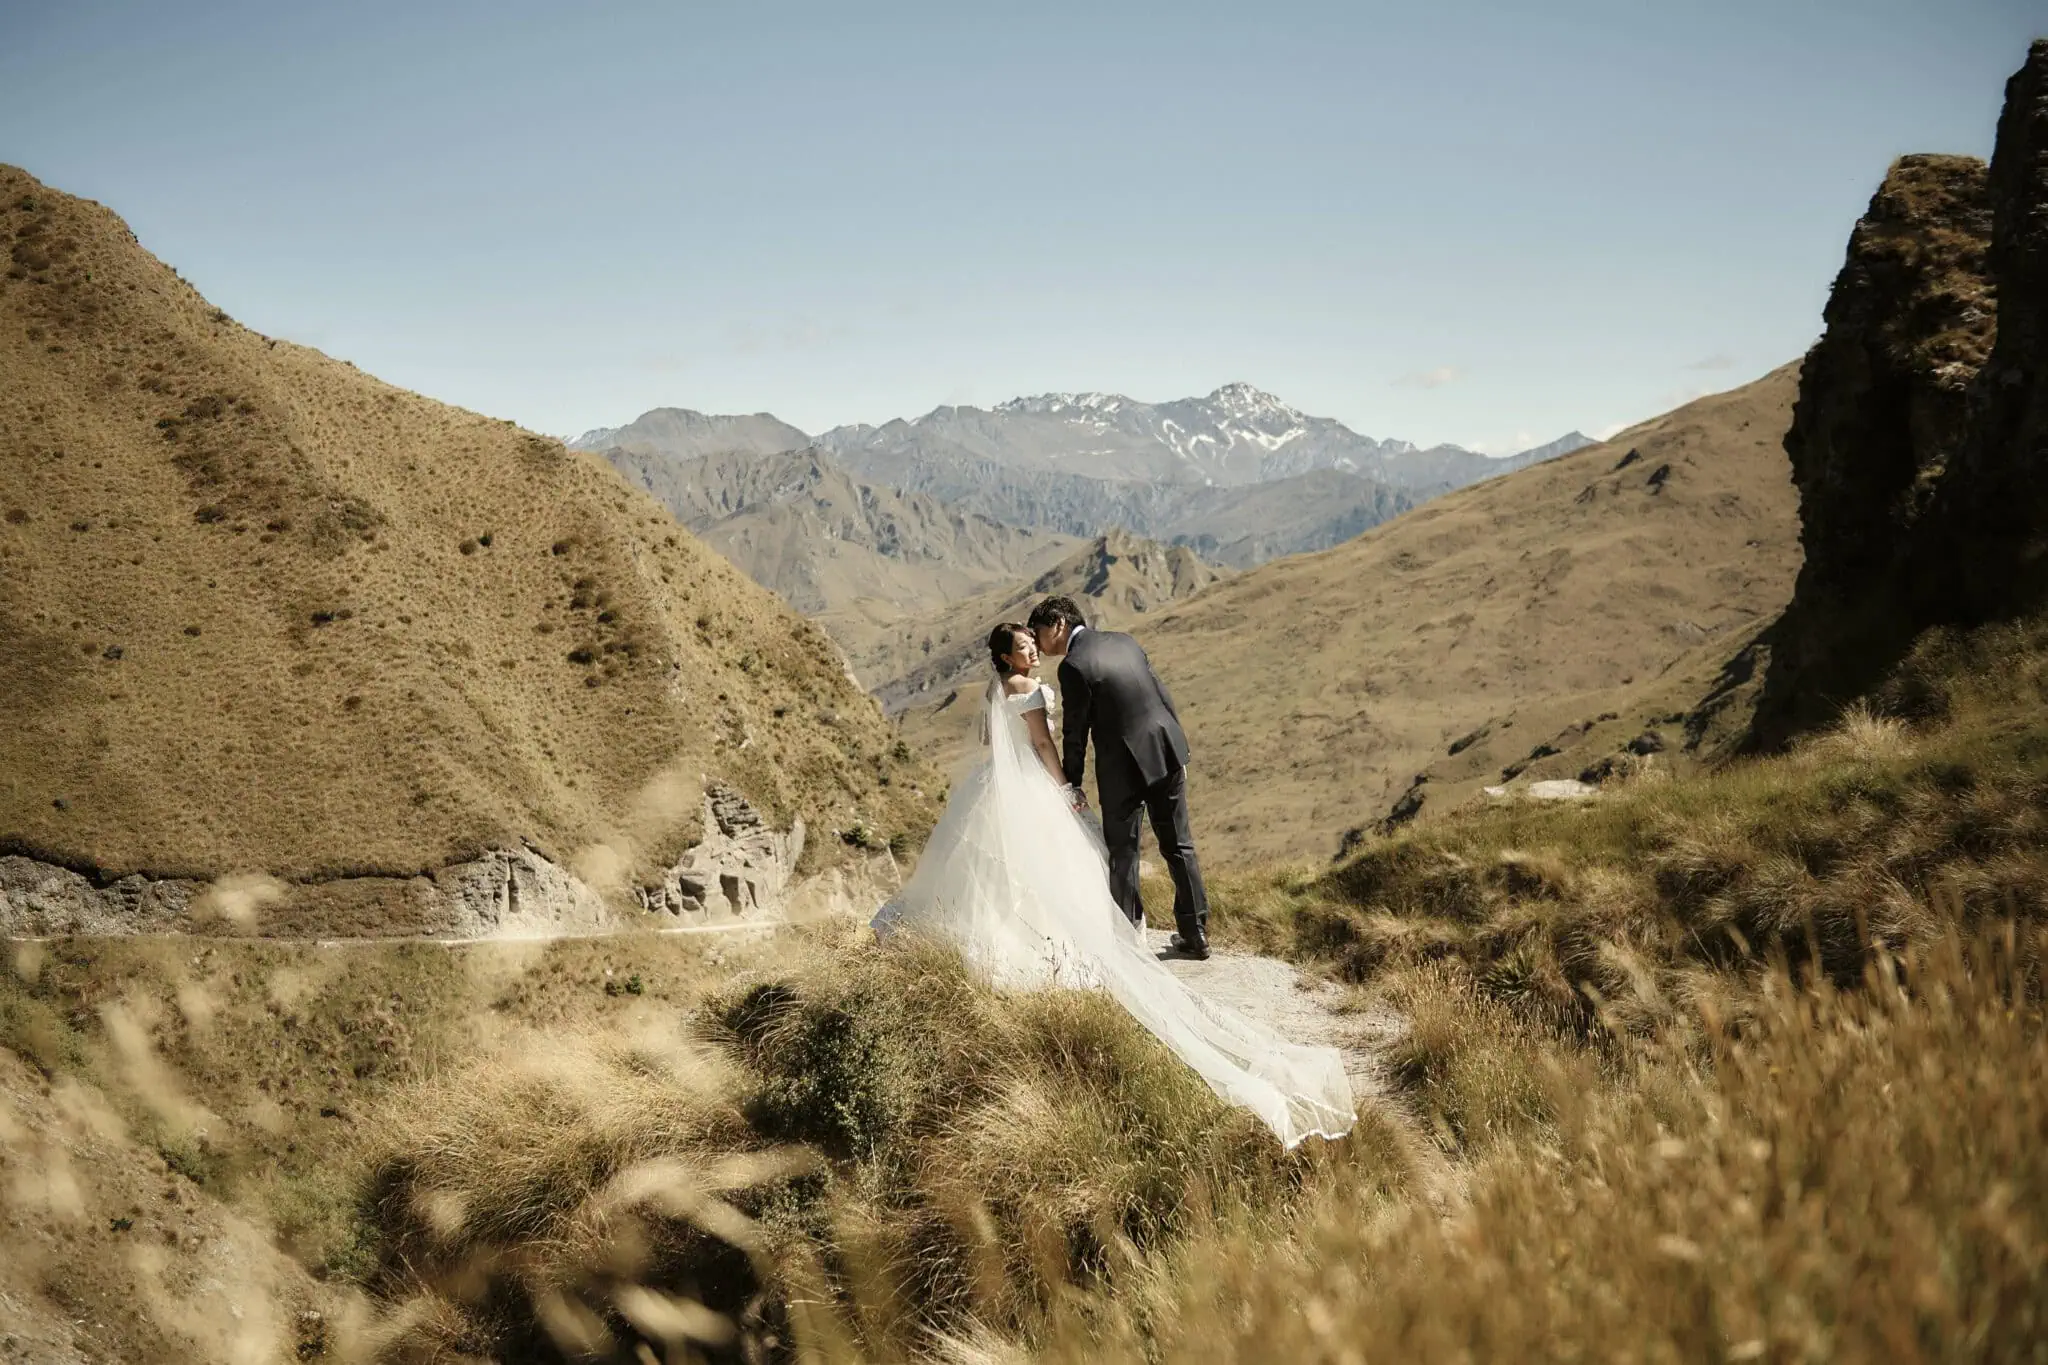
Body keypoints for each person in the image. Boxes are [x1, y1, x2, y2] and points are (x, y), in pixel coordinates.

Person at [870, 620, 1354, 1149]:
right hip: (1034, 787)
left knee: (999, 873)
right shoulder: (1031, 690)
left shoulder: (997, 688)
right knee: (1059, 867)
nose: (1034, 653)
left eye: (1035, 645)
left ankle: (1006, 938)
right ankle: (1073, 944)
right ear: (1008, 659)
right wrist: (1068, 789)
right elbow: (1042, 743)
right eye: (1024, 649)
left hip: (995, 790)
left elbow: (998, 739)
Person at [1026, 595, 1211, 959]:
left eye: (1038, 631)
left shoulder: (1073, 665)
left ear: (1059, 625)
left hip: (1122, 769)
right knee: (1179, 846)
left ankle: (1127, 946)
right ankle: (1196, 934)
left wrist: (1070, 783)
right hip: (1165, 751)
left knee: (1122, 854)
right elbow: (1159, 693)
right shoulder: (1125, 640)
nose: (1036, 640)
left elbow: (1075, 734)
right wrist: (1178, 748)